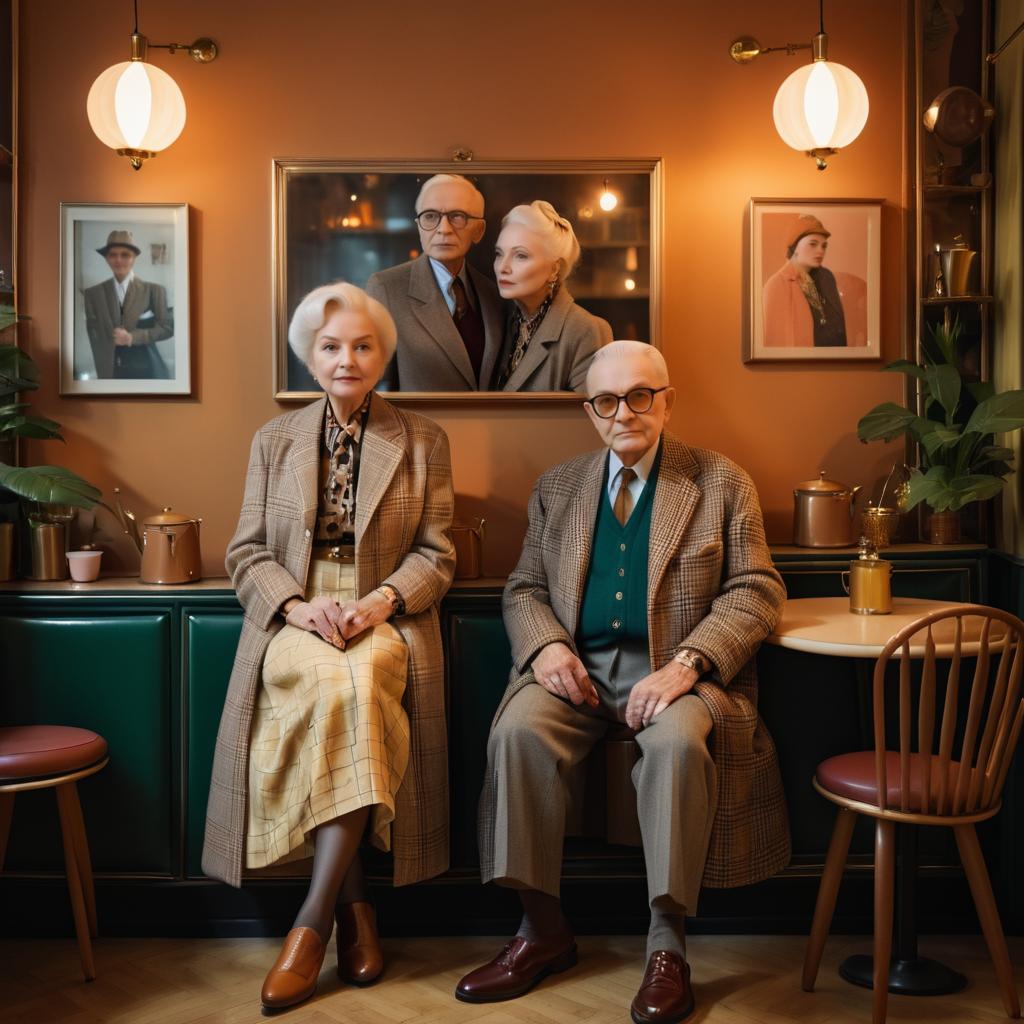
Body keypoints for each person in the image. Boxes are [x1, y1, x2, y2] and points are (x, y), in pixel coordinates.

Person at [457, 341, 789, 1024]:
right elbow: (524, 588)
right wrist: (547, 648)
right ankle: (542, 930)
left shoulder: (723, 481)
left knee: (674, 750)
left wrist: (687, 664)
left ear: (667, 401)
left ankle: (667, 946)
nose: (624, 412)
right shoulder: (558, 486)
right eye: (607, 401)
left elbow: (757, 591)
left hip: (677, 677)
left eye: (641, 395)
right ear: (590, 410)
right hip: (575, 675)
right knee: (516, 733)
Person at [202, 282, 455, 1014]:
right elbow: (246, 552)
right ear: (309, 357)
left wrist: (379, 601)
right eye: (331, 346)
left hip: (385, 610)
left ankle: (312, 922)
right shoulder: (272, 440)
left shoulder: (424, 439)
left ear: (383, 354)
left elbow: (437, 555)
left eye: (363, 345)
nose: (348, 359)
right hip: (294, 610)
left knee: (358, 680)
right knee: (333, 689)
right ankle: (348, 911)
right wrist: (298, 606)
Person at [366, 174, 504, 391]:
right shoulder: (387, 289)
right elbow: (375, 389)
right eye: (430, 216)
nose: (444, 229)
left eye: (457, 216)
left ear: (479, 231)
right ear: (419, 227)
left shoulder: (494, 295)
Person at [493, 200, 611, 392]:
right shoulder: (498, 319)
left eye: (520, 255)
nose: (502, 267)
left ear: (554, 268)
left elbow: (591, 418)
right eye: (499, 254)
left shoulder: (584, 330)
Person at [762, 214, 866, 348]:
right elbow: (775, 344)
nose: (820, 251)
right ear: (795, 246)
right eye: (813, 244)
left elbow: (839, 330)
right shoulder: (776, 285)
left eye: (824, 246)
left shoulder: (826, 278)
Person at [81, 229, 173, 378]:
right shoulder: (93, 295)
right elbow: (95, 339)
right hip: (111, 373)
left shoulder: (154, 290)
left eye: (125, 255)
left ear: (134, 257)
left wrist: (132, 337)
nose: (118, 260)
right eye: (113, 255)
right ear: (106, 258)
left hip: (148, 371)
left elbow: (167, 328)